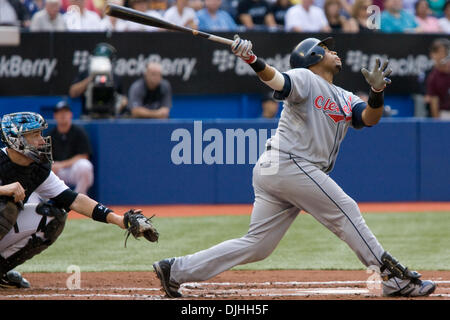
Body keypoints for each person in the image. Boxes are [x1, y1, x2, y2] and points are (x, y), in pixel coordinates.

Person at [152, 35, 437, 298]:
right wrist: (252, 59)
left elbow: (369, 118)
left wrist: (376, 92)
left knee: (258, 245)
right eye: (326, 49)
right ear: (312, 56)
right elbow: (278, 81)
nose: (333, 51)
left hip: (282, 170)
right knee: (345, 209)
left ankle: (174, 269)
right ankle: (392, 277)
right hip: (290, 162)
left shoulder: (345, 95)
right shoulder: (305, 77)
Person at [0, 112, 159, 288]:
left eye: (41, 134)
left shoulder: (37, 167)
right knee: (6, 207)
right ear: (16, 139)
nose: (42, 140)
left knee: (53, 216)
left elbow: (74, 200)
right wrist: (3, 189)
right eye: (35, 135)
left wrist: (119, 220)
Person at [69, 42, 127, 118]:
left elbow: (124, 99)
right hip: (89, 116)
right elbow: (72, 93)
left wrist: (120, 104)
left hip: (109, 116)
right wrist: (91, 78)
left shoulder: (115, 78)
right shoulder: (85, 74)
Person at [49, 101, 94, 195]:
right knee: (43, 171)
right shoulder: (50, 135)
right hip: (57, 172)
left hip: (72, 169)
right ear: (55, 115)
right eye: (59, 113)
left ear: (70, 114)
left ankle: (79, 197)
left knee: (85, 166)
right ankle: (48, 203)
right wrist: (52, 166)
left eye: (65, 112)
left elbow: (83, 156)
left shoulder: (79, 132)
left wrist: (61, 164)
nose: (63, 115)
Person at [426, 38, 450, 118]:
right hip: (445, 114)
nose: (440, 56)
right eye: (436, 53)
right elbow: (434, 102)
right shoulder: (433, 77)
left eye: (443, 53)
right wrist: (438, 123)